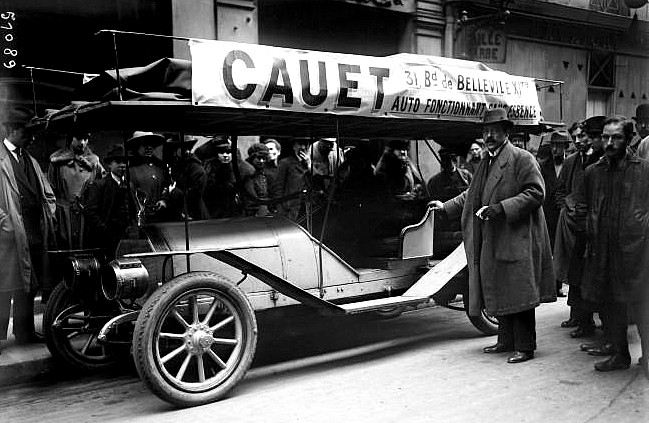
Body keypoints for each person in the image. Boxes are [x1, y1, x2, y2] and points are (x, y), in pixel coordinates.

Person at [429, 107, 556, 364]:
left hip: (516, 234)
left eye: (494, 131)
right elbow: (471, 195)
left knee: (519, 291)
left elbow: (536, 193)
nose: (489, 136)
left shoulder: (522, 158)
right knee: (500, 287)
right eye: (486, 132)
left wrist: (501, 208)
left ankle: (525, 346)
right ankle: (505, 341)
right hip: (495, 235)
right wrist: (446, 207)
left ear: (506, 133)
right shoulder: (487, 161)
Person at [575, 116, 649, 376]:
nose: (609, 142)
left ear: (628, 139)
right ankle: (619, 355)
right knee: (610, 305)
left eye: (616, 137)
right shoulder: (593, 172)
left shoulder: (644, 170)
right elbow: (581, 206)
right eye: (606, 137)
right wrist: (589, 230)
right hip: (602, 252)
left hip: (637, 253)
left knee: (642, 307)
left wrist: (641, 231)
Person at [0, 108, 57, 351]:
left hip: (33, 231)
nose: (31, 138)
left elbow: (46, 192)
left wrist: (49, 212)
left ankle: (24, 333)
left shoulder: (30, 159)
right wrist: (4, 222)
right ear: (11, 131)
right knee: (4, 286)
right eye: (26, 132)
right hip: (7, 235)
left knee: (29, 283)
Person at [48, 128, 104, 249]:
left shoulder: (94, 162)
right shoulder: (57, 162)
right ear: (71, 139)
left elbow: (102, 185)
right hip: (64, 213)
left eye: (85, 139)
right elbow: (50, 189)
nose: (82, 143)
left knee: (87, 245)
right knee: (66, 245)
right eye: (78, 139)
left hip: (87, 213)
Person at [82, 145, 138, 260]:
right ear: (109, 164)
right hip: (105, 238)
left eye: (125, 162)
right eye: (118, 162)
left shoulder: (129, 186)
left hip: (125, 238)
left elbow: (133, 210)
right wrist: (104, 229)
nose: (122, 165)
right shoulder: (100, 185)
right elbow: (89, 211)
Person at [537, 130, 571, 297]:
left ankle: (558, 284)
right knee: (548, 250)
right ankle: (551, 287)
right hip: (547, 214)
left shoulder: (570, 164)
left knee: (561, 250)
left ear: (565, 147)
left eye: (559, 146)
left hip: (565, 214)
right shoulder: (542, 166)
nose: (556, 150)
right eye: (553, 146)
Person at [158, 137, 208, 221]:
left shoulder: (196, 168)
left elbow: (194, 195)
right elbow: (171, 183)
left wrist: (174, 192)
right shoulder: (177, 165)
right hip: (178, 212)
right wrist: (164, 199)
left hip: (193, 214)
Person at [127, 131, 168, 221]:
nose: (149, 148)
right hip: (139, 217)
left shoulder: (160, 166)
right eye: (145, 145)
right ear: (136, 146)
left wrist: (163, 199)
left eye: (151, 145)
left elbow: (167, 185)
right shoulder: (129, 168)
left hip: (160, 216)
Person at [273, 137, 311, 221]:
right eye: (300, 144)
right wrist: (281, 210)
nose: (303, 147)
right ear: (294, 146)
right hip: (290, 208)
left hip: (305, 208)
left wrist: (309, 166)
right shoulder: (285, 163)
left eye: (306, 145)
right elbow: (278, 188)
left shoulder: (310, 164)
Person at [203, 136, 241, 218]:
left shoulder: (238, 168)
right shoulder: (210, 167)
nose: (225, 155)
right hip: (214, 207)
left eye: (228, 152)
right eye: (221, 152)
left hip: (232, 208)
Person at [241, 143, 273, 216]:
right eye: (259, 158)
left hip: (264, 208)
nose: (261, 161)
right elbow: (250, 199)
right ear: (252, 158)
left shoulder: (265, 172)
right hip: (253, 212)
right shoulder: (248, 173)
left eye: (264, 158)